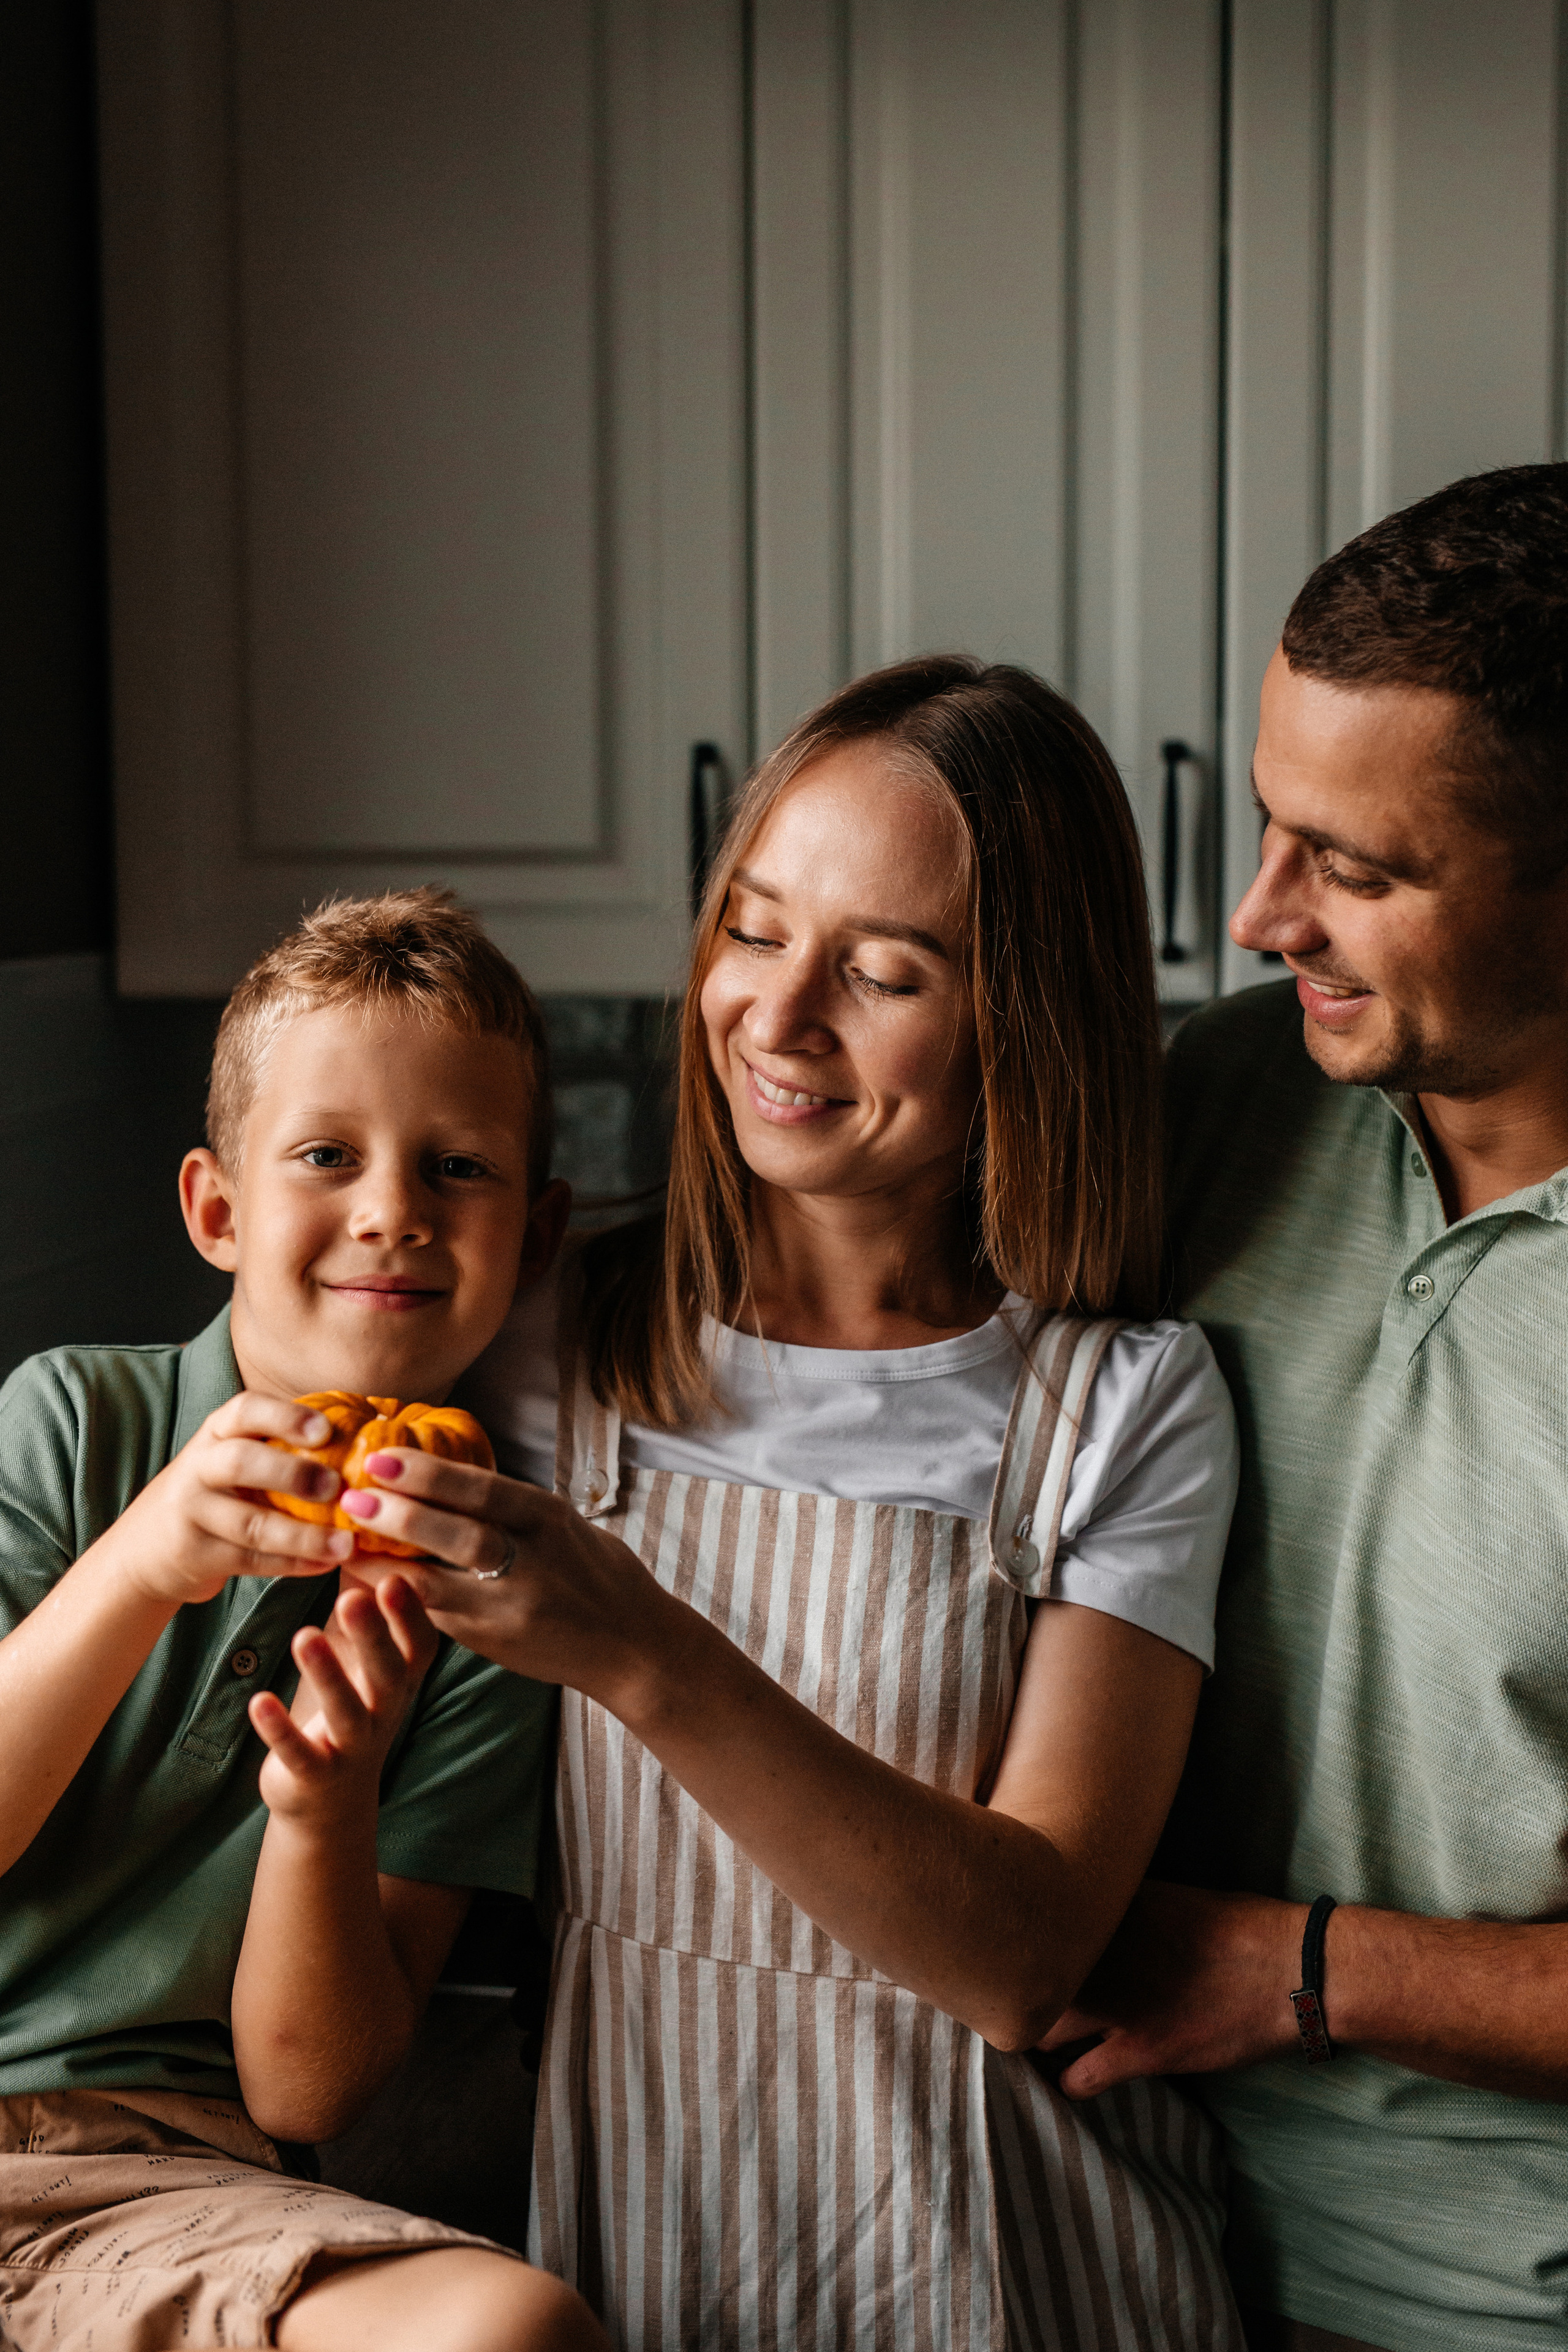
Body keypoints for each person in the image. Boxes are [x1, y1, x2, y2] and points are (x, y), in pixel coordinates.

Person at [332, 657, 1245, 2350]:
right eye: (752, 931)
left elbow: (1022, 1953)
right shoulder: (540, 1336)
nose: (779, 1014)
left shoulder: (1123, 1406)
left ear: (1024, 1019)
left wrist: (641, 1651)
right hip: (641, 2247)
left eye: (884, 972)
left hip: (1007, 2265)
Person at [1036, 462, 1568, 2352]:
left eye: (1358, 868)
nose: (1264, 911)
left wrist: (1303, 1969)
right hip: (1108, 2240)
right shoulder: (1212, 1112)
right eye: (1273, 827)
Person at [0, 891, 602, 2352]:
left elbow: (306, 2094)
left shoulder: (488, 1591)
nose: (392, 1209)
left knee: (505, 2330)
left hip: (154, 2191)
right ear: (217, 1209)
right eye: (327, 1156)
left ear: (532, 1241)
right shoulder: (75, 1419)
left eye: (457, 1168)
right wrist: (144, 1561)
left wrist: (321, 1809)